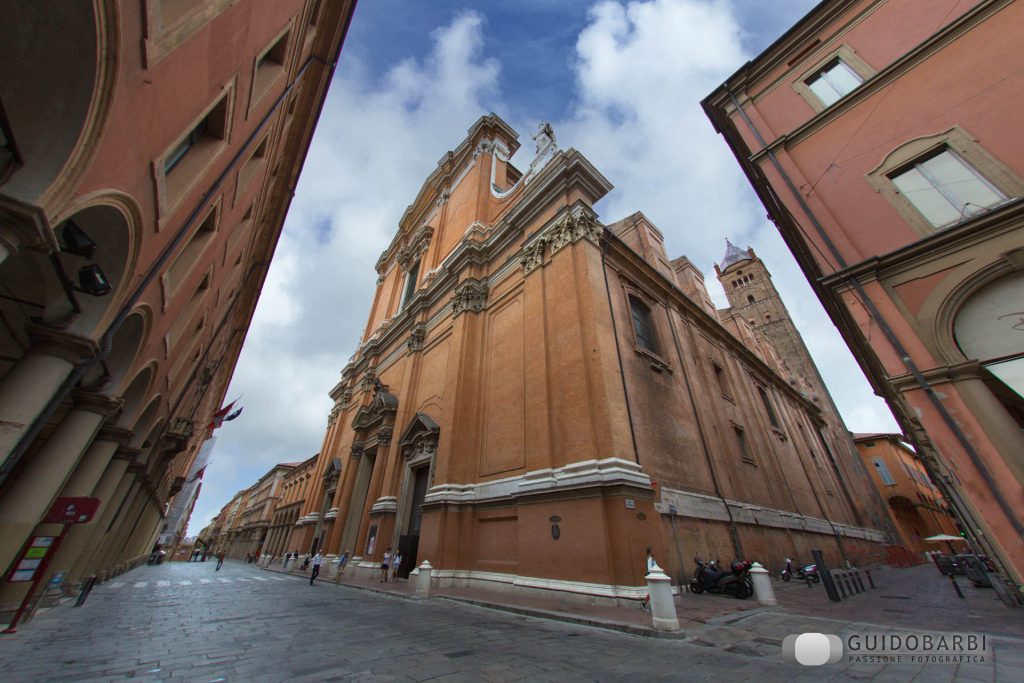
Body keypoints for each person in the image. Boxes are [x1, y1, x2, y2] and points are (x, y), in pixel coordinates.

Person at [639, 547, 656, 612]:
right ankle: (644, 604)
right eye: (653, 551)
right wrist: (652, 576)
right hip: (652, 577)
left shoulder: (651, 558)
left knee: (653, 592)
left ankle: (645, 604)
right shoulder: (650, 559)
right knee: (652, 591)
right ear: (651, 551)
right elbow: (650, 569)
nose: (654, 552)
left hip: (653, 576)